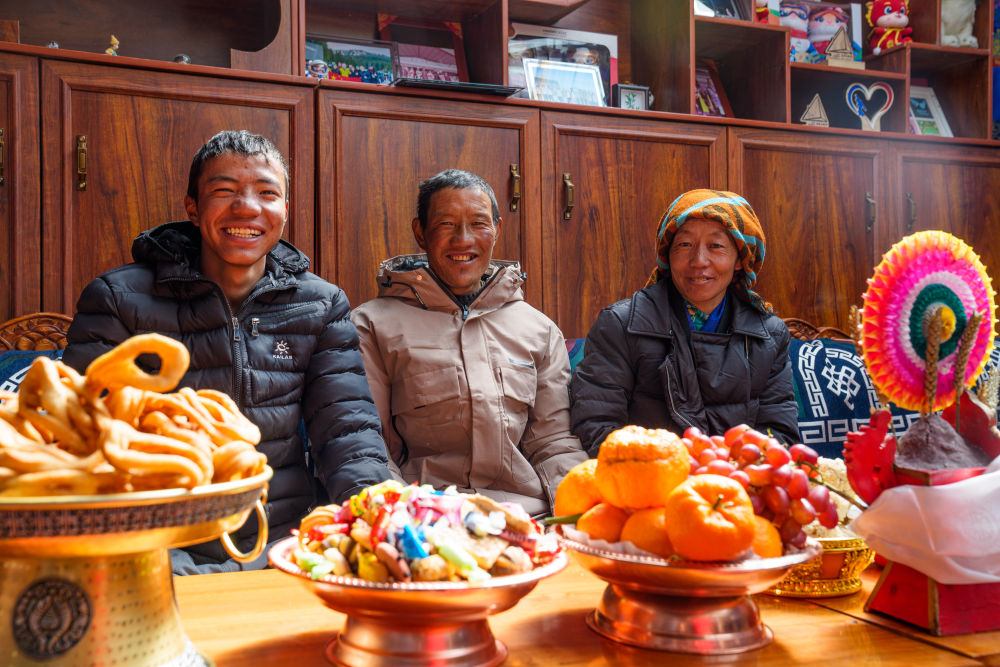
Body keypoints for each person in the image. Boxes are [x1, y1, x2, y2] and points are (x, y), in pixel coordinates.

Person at [63, 130, 393, 573]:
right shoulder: (117, 299)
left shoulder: (321, 304)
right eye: (224, 191)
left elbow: (347, 431)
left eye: (267, 193)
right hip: (159, 544)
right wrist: (151, 555)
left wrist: (376, 519)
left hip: (283, 542)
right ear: (193, 208)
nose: (247, 208)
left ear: (285, 210)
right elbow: (82, 440)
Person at [351, 169, 587, 517]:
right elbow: (371, 448)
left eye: (478, 223)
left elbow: (554, 443)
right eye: (446, 224)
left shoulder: (539, 330)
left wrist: (577, 517)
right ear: (421, 232)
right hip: (426, 519)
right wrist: (402, 523)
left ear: (497, 229)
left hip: (525, 516)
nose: (463, 240)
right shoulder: (371, 326)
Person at [570, 188, 799, 457]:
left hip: (736, 480)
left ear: (740, 259)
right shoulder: (620, 325)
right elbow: (597, 427)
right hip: (651, 477)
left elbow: (778, 437)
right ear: (668, 255)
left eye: (716, 246)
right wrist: (671, 469)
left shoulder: (769, 335)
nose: (699, 261)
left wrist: (725, 470)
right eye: (685, 245)